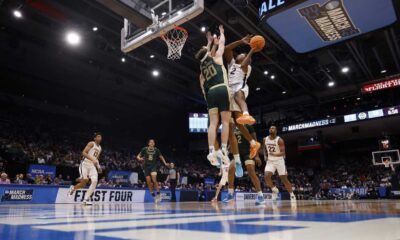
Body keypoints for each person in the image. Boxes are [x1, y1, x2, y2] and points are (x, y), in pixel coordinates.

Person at [195, 25, 231, 167]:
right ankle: (223, 150)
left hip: (210, 93)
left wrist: (209, 43)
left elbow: (205, 53)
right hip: (221, 88)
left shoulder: (201, 67)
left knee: (213, 123)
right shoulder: (216, 58)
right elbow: (222, 43)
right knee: (226, 122)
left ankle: (211, 151)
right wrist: (222, 33)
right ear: (209, 52)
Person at [225, 35, 261, 162]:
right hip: (230, 91)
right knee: (238, 123)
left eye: (243, 54)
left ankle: (247, 114)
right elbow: (226, 49)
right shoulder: (232, 64)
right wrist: (241, 41)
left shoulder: (247, 67)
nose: (241, 54)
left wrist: (252, 49)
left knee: (238, 96)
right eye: (241, 54)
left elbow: (245, 63)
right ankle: (253, 143)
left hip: (240, 87)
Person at [223, 125, 265, 205]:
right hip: (237, 154)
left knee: (251, 171)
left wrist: (257, 156)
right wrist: (227, 150)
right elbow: (231, 140)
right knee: (231, 170)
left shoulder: (249, 126)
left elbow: (254, 141)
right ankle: (230, 194)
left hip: (248, 153)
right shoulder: (233, 126)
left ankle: (260, 196)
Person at [68, 132, 103, 205]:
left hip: (92, 166)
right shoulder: (91, 143)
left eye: (100, 136)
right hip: (85, 164)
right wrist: (92, 159)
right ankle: (73, 187)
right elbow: (84, 152)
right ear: (95, 138)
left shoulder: (100, 148)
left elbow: (96, 159)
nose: (100, 138)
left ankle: (85, 199)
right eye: (98, 136)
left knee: (94, 181)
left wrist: (98, 167)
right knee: (85, 181)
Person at [263, 126, 296, 202]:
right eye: (270, 128)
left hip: (279, 161)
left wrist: (274, 154)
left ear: (276, 131)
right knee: (266, 176)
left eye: (273, 128)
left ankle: (291, 194)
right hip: (270, 161)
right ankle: (274, 190)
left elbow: (283, 153)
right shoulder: (265, 139)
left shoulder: (279, 140)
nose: (271, 129)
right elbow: (264, 148)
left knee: (284, 179)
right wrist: (265, 155)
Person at [137, 139, 169, 203]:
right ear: (148, 143)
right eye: (151, 142)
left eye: (153, 142)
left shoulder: (157, 150)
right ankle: (153, 195)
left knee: (154, 180)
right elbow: (138, 156)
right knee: (149, 183)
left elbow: (161, 157)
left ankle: (158, 194)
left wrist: (165, 163)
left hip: (153, 167)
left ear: (154, 144)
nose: (152, 143)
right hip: (146, 168)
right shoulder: (144, 149)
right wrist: (139, 158)